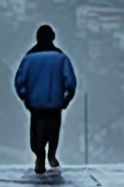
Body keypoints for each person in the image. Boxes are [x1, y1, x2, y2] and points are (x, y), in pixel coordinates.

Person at [14, 24, 78, 174]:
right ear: (53, 38)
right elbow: (71, 82)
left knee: (37, 131)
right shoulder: (61, 58)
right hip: (55, 102)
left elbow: (19, 81)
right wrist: (66, 99)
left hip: (35, 103)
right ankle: (51, 155)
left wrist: (25, 97)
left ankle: (39, 156)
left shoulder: (29, 58)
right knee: (53, 130)